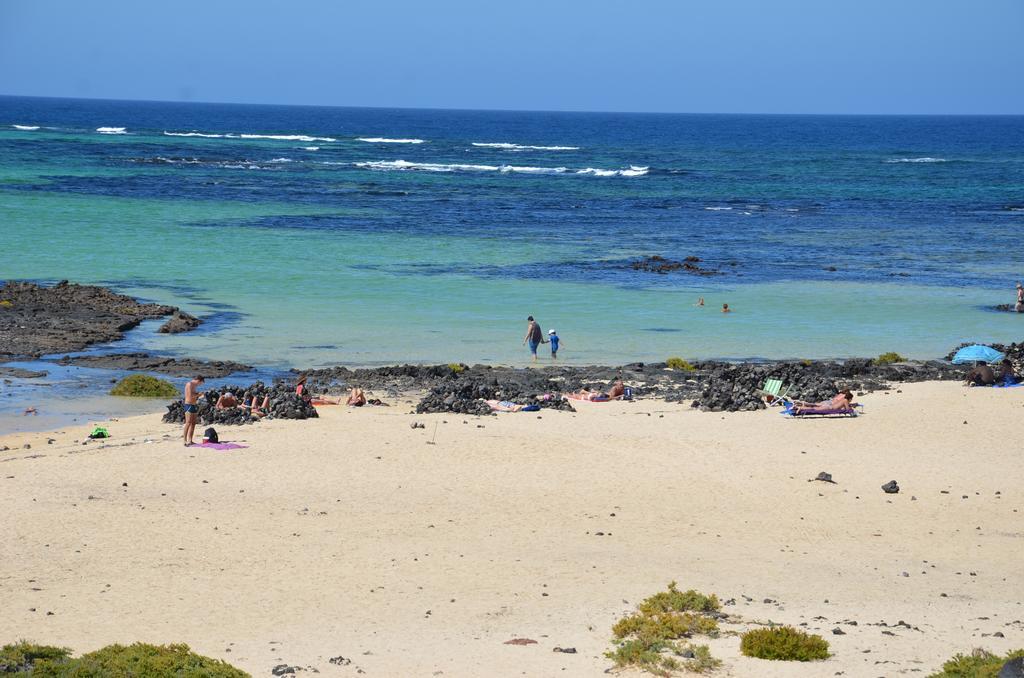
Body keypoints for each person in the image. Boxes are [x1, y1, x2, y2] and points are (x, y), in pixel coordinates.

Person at [182, 375, 205, 446]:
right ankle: (184, 440)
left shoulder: (194, 386)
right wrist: (199, 395)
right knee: (188, 422)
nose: (200, 385)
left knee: (193, 423)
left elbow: (194, 394)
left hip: (193, 405)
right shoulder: (189, 384)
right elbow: (190, 396)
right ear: (198, 380)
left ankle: (190, 440)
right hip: (188, 405)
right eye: (200, 383)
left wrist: (199, 394)